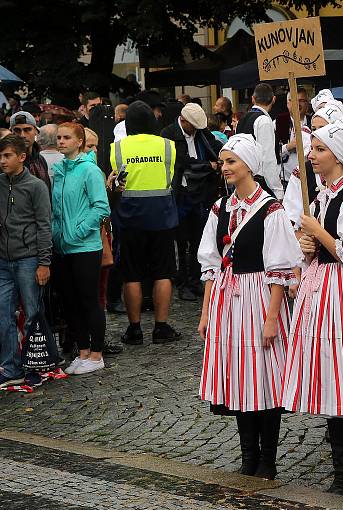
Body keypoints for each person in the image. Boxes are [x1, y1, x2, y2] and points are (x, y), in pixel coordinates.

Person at [281, 122, 343, 501]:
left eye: (320, 150)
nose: (311, 155)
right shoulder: (323, 195)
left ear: (338, 155)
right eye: (313, 149)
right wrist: (307, 245)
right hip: (320, 291)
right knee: (331, 382)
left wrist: (319, 235)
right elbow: (316, 248)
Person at [197, 133, 301, 480]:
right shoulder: (220, 208)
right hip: (229, 299)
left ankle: (267, 460)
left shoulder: (271, 209)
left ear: (249, 166)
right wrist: (206, 311)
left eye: (232, 162)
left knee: (265, 380)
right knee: (241, 380)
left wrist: (272, 318)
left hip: (259, 297)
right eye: (223, 161)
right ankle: (247, 457)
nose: (224, 167)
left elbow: (279, 270)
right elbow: (211, 263)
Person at [109, 100, 181, 346]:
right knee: (163, 273)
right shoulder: (167, 146)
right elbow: (170, 177)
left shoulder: (117, 148)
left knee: (132, 276)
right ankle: (161, 327)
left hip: (130, 219)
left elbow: (117, 181)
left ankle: (135, 329)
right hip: (162, 217)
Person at [51, 123, 110, 375]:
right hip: (63, 247)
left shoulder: (90, 170)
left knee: (89, 300)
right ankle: (83, 351)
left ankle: (96, 354)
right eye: (59, 137)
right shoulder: (59, 171)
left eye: (66, 138)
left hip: (85, 246)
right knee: (71, 301)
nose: (61, 141)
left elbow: (101, 207)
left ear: (79, 141)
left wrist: (76, 231)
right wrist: (57, 234)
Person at [0, 135, 51, 388]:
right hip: (3, 261)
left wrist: (44, 262)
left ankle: (35, 365)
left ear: (21, 157)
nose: (2, 161)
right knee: (4, 314)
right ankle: (10, 367)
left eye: (7, 156)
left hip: (29, 259)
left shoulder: (35, 186)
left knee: (33, 314)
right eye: (0, 156)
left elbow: (44, 225)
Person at [161, 102, 224, 302]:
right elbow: (179, 160)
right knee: (181, 239)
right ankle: (183, 280)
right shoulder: (168, 133)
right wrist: (207, 165)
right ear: (184, 121)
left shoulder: (201, 133)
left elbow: (215, 145)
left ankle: (194, 279)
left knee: (199, 236)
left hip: (200, 191)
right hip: (180, 192)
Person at [283, 101, 343, 230]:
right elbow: (291, 218)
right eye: (314, 129)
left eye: (323, 129)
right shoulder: (303, 172)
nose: (317, 134)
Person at [236, 83, 283, 198]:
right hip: (259, 184)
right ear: (274, 99)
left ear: (253, 99)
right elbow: (267, 158)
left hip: (243, 179)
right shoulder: (264, 121)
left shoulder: (241, 120)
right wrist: (278, 190)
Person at [279, 87, 312, 189]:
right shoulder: (280, 122)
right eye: (294, 100)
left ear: (307, 104)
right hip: (287, 181)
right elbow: (270, 154)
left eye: (302, 101)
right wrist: (288, 147)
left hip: (311, 179)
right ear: (288, 103)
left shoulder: (314, 121)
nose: (298, 104)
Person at [10, 112, 51, 189]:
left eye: (27, 130)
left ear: (36, 131)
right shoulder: (6, 161)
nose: (22, 135)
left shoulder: (41, 160)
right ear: (11, 133)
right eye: (17, 130)